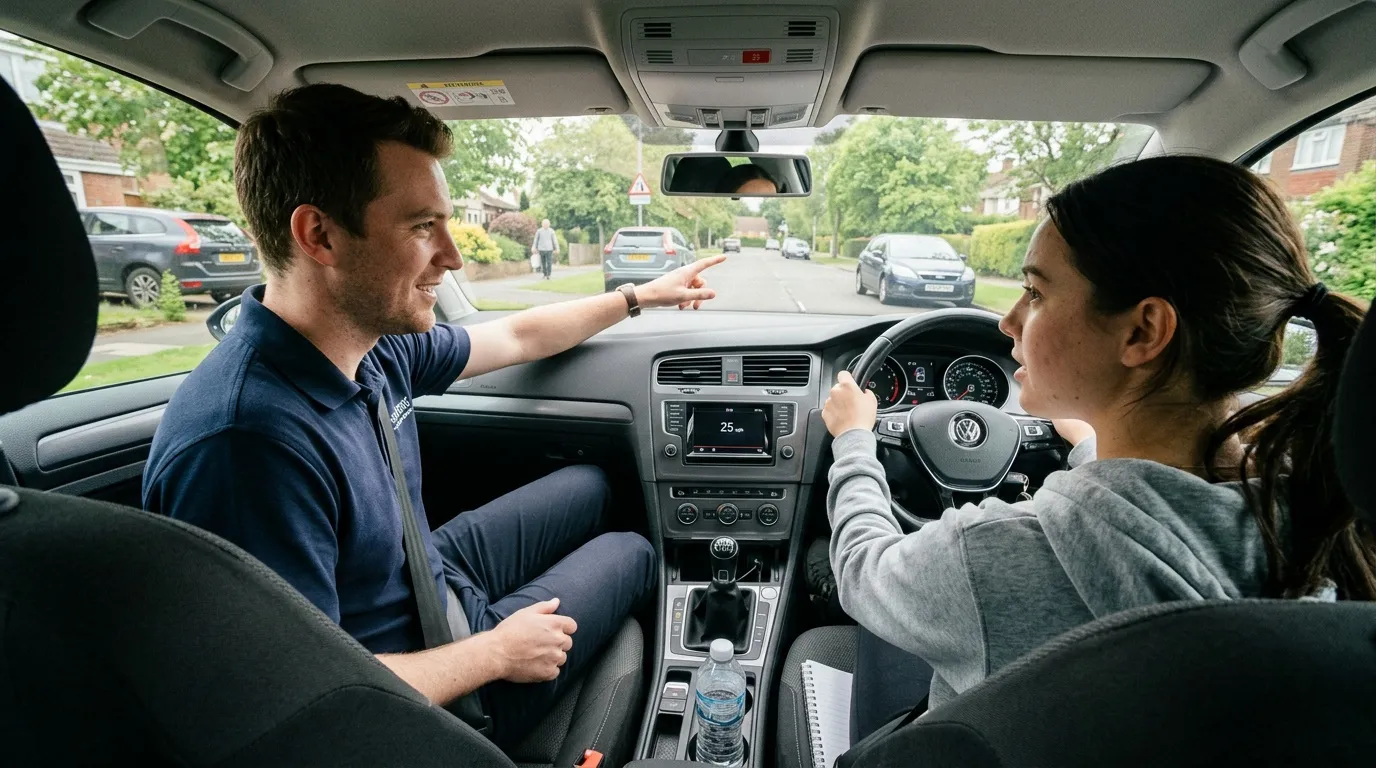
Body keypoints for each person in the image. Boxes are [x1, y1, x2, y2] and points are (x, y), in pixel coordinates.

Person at [142, 83, 725, 747]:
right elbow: (300, 691)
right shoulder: (247, 445)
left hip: (428, 575)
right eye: (422, 228)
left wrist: (639, 296)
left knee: (592, 484)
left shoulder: (367, 346)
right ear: (319, 234)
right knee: (632, 549)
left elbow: (519, 339)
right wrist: (497, 653)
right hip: (432, 688)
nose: (452, 256)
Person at [820, 155, 1375, 739]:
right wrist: (1092, 445)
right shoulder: (1328, 516)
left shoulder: (989, 556)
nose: (1007, 321)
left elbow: (861, 570)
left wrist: (854, 441)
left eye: (1034, 292)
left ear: (1143, 331)